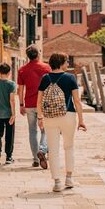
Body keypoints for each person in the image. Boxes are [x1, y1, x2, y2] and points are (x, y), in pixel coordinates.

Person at [37, 52, 87, 192]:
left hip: (50, 117)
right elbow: (77, 101)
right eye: (66, 61)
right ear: (61, 63)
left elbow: (39, 101)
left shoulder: (45, 78)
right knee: (69, 147)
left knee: (53, 150)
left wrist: (40, 117)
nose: (68, 64)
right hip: (68, 115)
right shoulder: (70, 78)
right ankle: (69, 178)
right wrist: (81, 120)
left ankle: (57, 182)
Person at [17, 44, 51, 169]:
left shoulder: (22, 70)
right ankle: (42, 149)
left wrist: (21, 105)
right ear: (38, 54)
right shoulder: (46, 68)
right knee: (45, 129)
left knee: (32, 131)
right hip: (44, 104)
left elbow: (20, 90)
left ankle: (36, 159)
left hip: (30, 104)